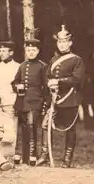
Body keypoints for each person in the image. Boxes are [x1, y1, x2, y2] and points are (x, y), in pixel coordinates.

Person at [36, 25, 86, 168]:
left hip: (69, 99)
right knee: (45, 125)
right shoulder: (53, 59)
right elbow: (47, 77)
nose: (62, 44)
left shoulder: (77, 60)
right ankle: (44, 155)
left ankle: (67, 159)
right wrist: (49, 84)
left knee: (70, 129)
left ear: (70, 43)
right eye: (59, 42)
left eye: (65, 42)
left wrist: (58, 82)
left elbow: (77, 79)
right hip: (54, 99)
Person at [11, 34, 48, 166]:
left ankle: (33, 155)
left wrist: (44, 103)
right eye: (28, 50)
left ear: (37, 51)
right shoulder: (22, 65)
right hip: (22, 102)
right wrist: (17, 86)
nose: (31, 52)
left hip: (35, 101)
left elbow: (46, 86)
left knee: (32, 127)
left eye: (33, 50)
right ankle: (24, 156)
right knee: (24, 128)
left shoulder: (42, 66)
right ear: (25, 51)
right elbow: (14, 82)